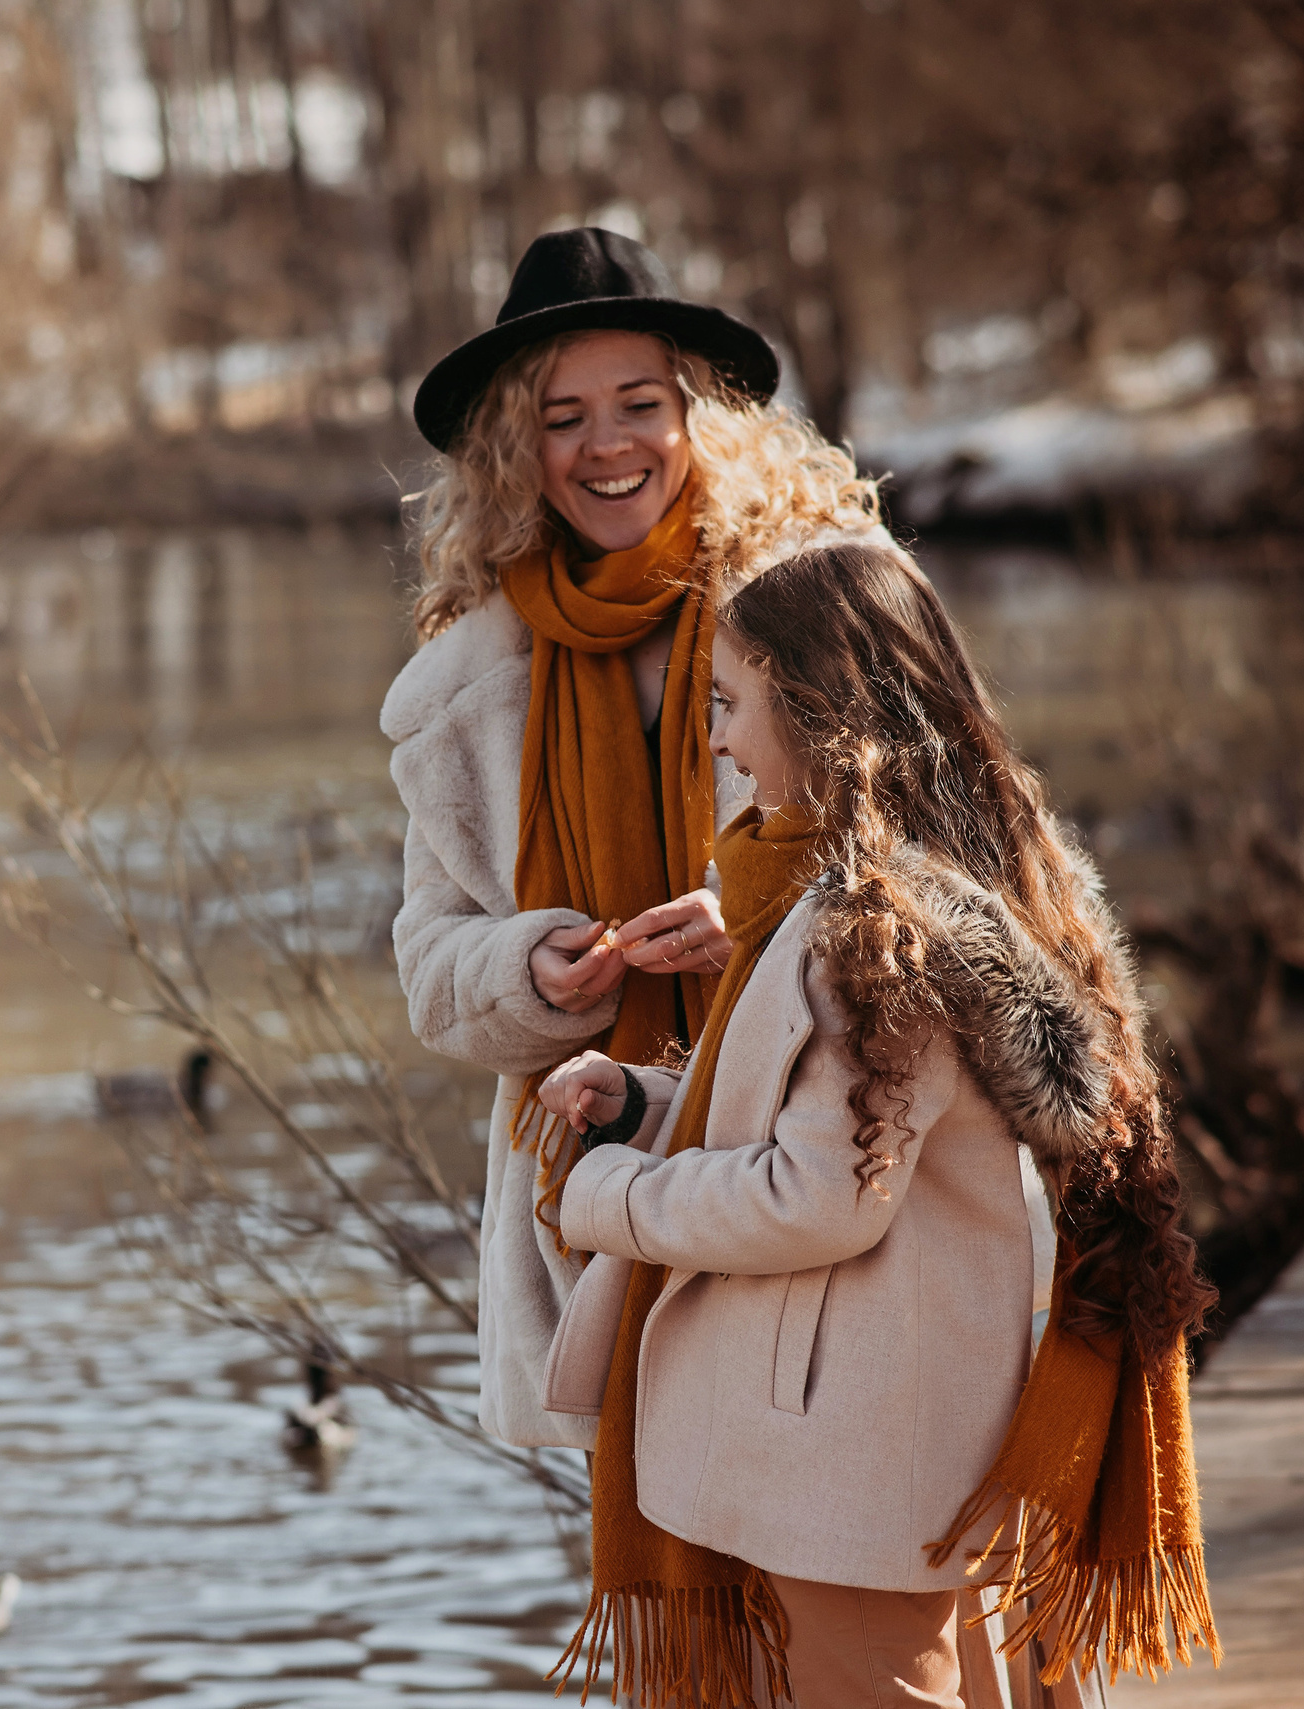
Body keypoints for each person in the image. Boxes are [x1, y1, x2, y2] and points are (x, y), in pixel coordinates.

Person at [532, 541, 1219, 1708]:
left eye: (729, 703)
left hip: (851, 1442)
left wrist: (611, 1195)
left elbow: (823, 1193)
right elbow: (855, 1120)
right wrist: (653, 1104)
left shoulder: (869, 930)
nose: (717, 741)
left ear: (817, 710)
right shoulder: (945, 884)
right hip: (921, 1406)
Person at [382, 227, 888, 1458]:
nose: (606, 445)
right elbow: (429, 970)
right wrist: (526, 969)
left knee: (832, 1539)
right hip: (593, 1207)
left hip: (819, 1163)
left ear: (697, 415)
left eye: (637, 404)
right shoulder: (464, 687)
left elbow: (951, 860)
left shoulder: (829, 607)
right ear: (516, 449)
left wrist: (760, 920)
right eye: (563, 418)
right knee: (654, 1565)